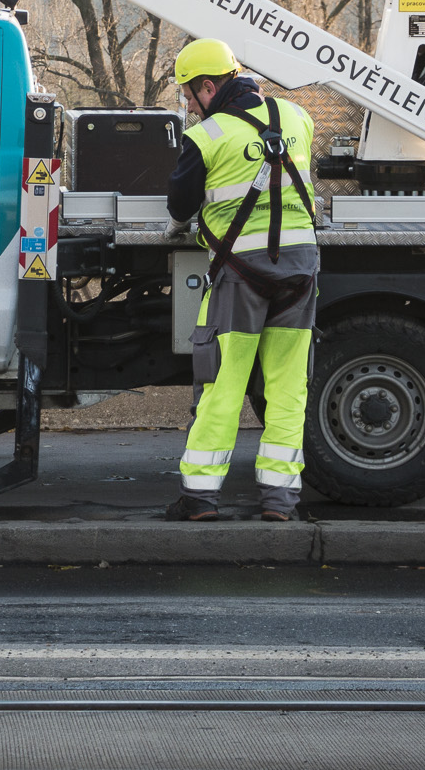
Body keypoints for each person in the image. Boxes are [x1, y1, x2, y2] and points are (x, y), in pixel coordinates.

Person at [163, 39, 318, 522]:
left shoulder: (207, 137)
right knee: (289, 389)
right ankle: (279, 500)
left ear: (209, 86)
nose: (188, 105)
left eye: (190, 95)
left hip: (241, 276)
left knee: (223, 385)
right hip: (300, 271)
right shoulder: (298, 118)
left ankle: (200, 499)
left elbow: (180, 208)